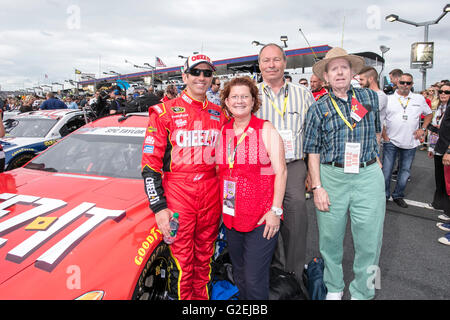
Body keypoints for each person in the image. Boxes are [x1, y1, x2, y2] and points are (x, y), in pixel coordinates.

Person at [141, 54, 227, 300]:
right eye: (196, 72)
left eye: (207, 73)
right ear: (185, 76)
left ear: (212, 78)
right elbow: (150, 165)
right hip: (179, 196)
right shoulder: (163, 112)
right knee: (181, 261)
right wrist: (158, 207)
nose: (201, 77)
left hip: (211, 195)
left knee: (205, 258)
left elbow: (227, 159)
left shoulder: (219, 114)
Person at [303, 47, 385, 300]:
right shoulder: (318, 108)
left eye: (344, 67)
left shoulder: (370, 99)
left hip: (368, 176)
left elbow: (378, 131)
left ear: (352, 72)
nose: (339, 72)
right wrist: (317, 187)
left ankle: (364, 291)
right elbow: (313, 151)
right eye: (333, 69)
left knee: (370, 241)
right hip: (332, 177)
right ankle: (334, 287)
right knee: (329, 239)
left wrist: (375, 159)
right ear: (326, 77)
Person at [216, 76, 287, 300]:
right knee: (239, 274)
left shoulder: (265, 129)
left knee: (254, 278)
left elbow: (282, 172)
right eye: (234, 97)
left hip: (262, 218)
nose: (239, 101)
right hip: (232, 216)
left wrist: (275, 211)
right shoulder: (224, 130)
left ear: (253, 100)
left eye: (244, 96)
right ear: (226, 102)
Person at [254, 43, 315, 286]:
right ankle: (272, 273)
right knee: (263, 223)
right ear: (259, 65)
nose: (271, 65)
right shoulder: (251, 94)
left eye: (276, 60)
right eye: (266, 60)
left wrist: (311, 171)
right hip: (261, 168)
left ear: (284, 63)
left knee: (296, 220)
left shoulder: (303, 94)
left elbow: (312, 136)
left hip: (294, 165)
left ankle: (293, 278)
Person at [381, 73, 432, 208]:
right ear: (397, 83)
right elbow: (381, 119)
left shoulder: (419, 99)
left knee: (404, 171)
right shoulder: (388, 99)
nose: (405, 85)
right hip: (391, 141)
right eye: (402, 82)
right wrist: (385, 135)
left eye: (408, 83)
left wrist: (423, 128)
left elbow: (429, 114)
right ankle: (384, 195)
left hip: (410, 142)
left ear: (412, 84)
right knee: (386, 171)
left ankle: (398, 195)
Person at [429, 83, 450, 231]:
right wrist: (432, 147)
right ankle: (444, 207)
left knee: (448, 182)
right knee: (441, 179)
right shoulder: (440, 108)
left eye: (446, 92)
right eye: (440, 91)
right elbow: (436, 128)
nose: (443, 94)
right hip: (438, 146)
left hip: (446, 149)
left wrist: (449, 151)